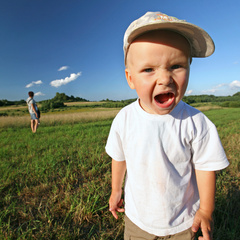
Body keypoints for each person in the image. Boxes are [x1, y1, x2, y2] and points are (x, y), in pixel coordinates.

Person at [105, 12, 229, 240]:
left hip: (183, 222)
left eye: (176, 66)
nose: (165, 78)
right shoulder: (124, 118)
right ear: (130, 78)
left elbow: (205, 167)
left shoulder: (196, 122)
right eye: (149, 69)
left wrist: (206, 210)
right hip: (137, 220)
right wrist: (115, 190)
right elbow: (119, 156)